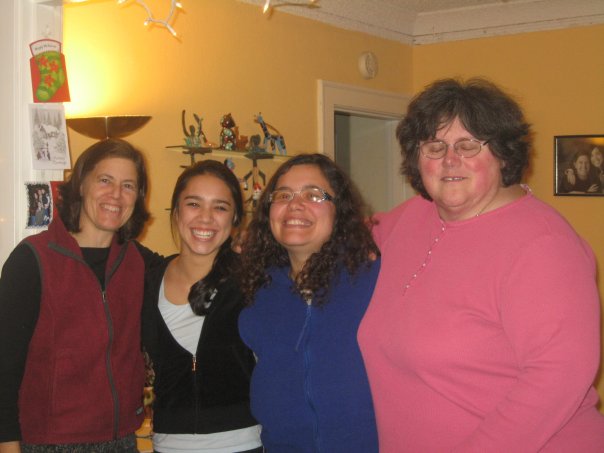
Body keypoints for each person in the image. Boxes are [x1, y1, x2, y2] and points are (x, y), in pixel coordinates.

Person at [358, 77, 604, 452]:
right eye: (434, 146)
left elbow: (558, 377)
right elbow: (345, 237)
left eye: (468, 145)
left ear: (504, 154)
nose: (449, 159)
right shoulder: (413, 217)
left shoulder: (544, 246)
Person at [0, 138, 152, 452]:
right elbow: (4, 368)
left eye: (128, 186)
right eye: (105, 180)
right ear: (82, 184)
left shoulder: (137, 261)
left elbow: (190, 272)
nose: (116, 195)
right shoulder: (32, 260)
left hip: (121, 440)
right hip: (49, 443)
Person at [238, 153, 380, 452]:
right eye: (283, 195)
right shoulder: (256, 289)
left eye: (314, 195)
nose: (295, 205)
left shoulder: (375, 280)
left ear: (338, 209)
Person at [141, 160, 261, 453]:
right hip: (168, 444)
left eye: (220, 207)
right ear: (177, 210)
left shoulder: (253, 280)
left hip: (243, 443)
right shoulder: (147, 279)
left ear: (235, 219)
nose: (205, 218)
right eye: (194, 204)